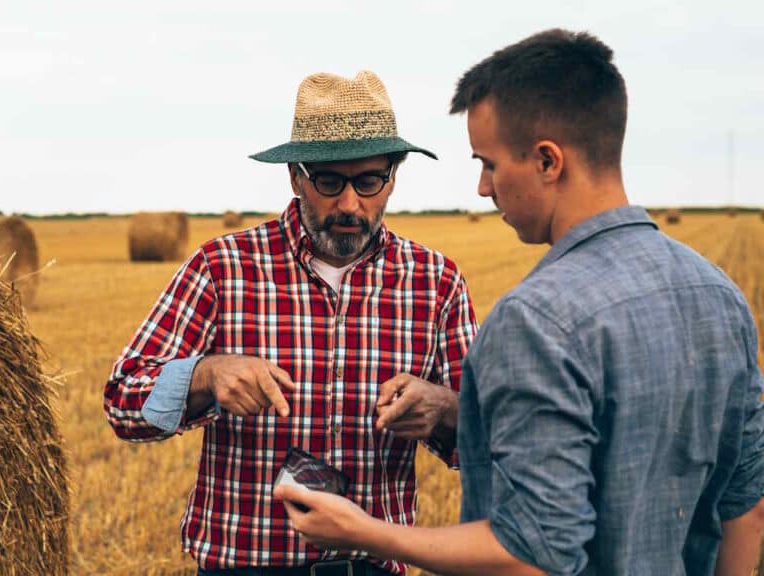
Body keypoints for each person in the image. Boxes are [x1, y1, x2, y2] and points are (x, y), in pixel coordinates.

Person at [275, 28, 764, 576]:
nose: (484, 188)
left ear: (548, 161)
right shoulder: (721, 296)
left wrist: (361, 533)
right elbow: (745, 508)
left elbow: (533, 554)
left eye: (489, 164)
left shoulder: (536, 320)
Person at [104, 70, 478, 576]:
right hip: (245, 566)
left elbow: (489, 439)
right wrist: (205, 375)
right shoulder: (223, 266)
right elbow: (123, 401)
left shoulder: (436, 282)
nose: (350, 204)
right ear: (295, 176)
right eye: (329, 181)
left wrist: (446, 408)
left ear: (395, 174)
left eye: (369, 181)